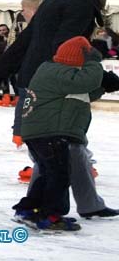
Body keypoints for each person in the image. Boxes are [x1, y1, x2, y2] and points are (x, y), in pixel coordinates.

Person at [0, 0, 119, 218]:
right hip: (54, 82)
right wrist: (103, 78)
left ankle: (85, 203)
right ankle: (44, 207)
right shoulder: (80, 4)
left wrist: (4, 66)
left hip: (39, 76)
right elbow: (67, 47)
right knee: (60, 144)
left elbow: (29, 37)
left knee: (67, 144)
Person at [12, 36, 105, 231]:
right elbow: (88, 81)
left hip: (38, 133)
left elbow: (81, 93)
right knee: (60, 175)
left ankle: (30, 209)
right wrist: (94, 61)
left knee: (48, 173)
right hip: (49, 134)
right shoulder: (58, 72)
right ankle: (50, 215)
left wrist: (103, 86)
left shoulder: (51, 71)